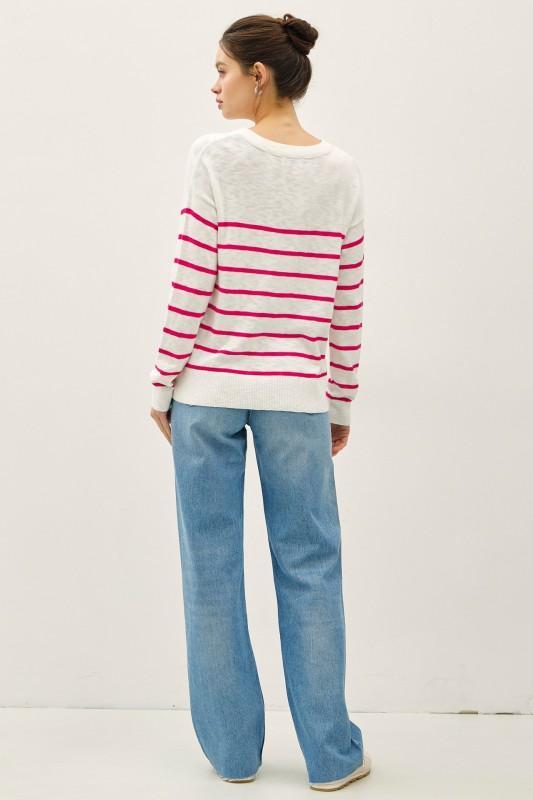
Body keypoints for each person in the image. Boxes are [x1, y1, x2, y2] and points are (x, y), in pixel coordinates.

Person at [148, 12, 371, 792]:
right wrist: (337, 402)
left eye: (220, 70)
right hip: (296, 398)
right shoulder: (340, 170)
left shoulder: (214, 157)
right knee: (310, 570)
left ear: (258, 74)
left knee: (210, 570)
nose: (212, 86)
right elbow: (345, 301)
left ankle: (234, 756)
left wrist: (162, 380)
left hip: (206, 392)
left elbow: (192, 277)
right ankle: (331, 757)